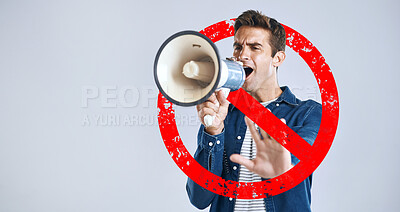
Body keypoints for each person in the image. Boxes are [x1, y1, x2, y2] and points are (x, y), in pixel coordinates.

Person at [186, 10, 322, 212]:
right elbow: (199, 198)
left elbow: (298, 155)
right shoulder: (224, 115)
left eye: (255, 47)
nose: (242, 56)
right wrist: (213, 132)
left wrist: (280, 161)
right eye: (238, 47)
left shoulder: (308, 112)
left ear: (278, 58)